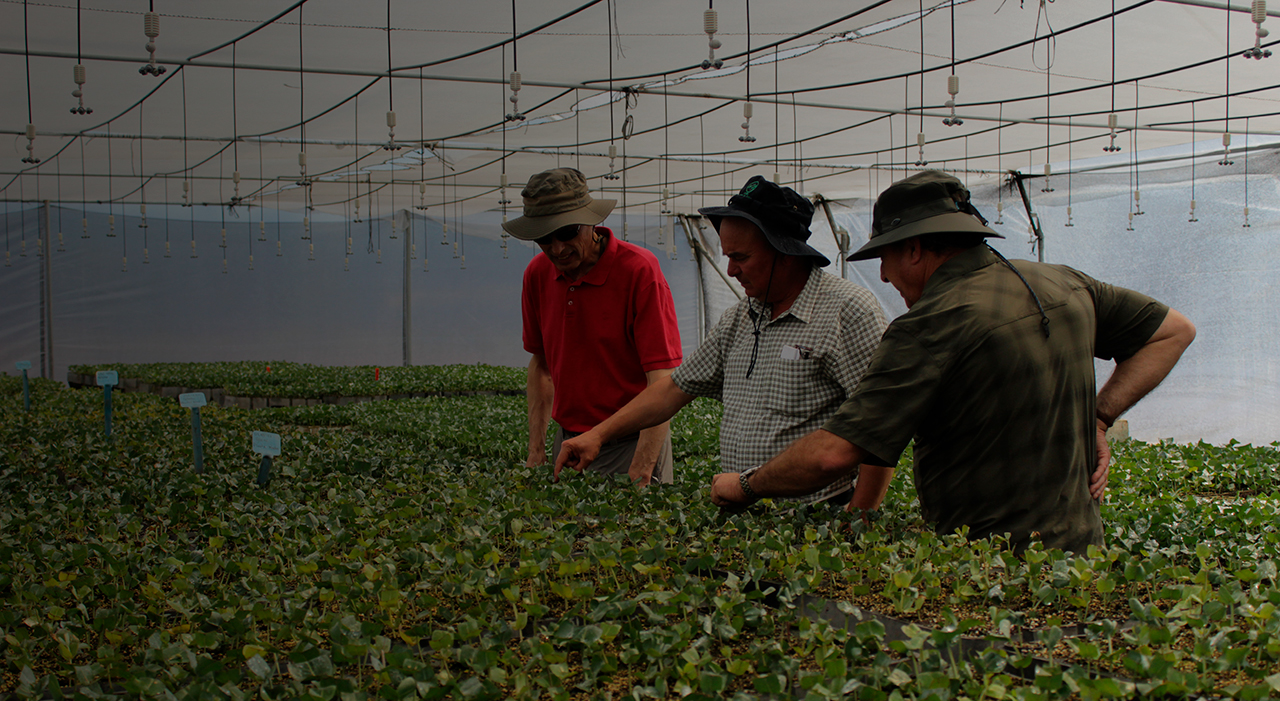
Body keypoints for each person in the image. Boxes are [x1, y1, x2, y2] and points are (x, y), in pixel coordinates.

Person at [709, 170, 1196, 553]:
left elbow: (832, 455)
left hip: (988, 564)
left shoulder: (931, 323)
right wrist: (1101, 416)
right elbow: (1174, 331)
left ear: (915, 249)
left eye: (885, 257)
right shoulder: (1065, 283)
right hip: (1082, 554)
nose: (884, 274)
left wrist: (746, 485)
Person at [555, 175, 894, 510]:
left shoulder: (847, 311)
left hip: (814, 516)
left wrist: (859, 518)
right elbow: (674, 389)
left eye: (741, 257)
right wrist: (598, 435)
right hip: (739, 507)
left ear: (786, 253)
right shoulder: (740, 318)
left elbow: (878, 429)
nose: (730, 270)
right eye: (727, 256)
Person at [504, 167, 683, 486]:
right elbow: (540, 365)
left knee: (636, 536)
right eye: (545, 238)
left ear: (592, 222)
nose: (558, 249)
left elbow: (662, 380)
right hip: (569, 446)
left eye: (568, 232)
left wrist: (642, 468)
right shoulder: (537, 274)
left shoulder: (639, 271)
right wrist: (536, 450)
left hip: (630, 445)